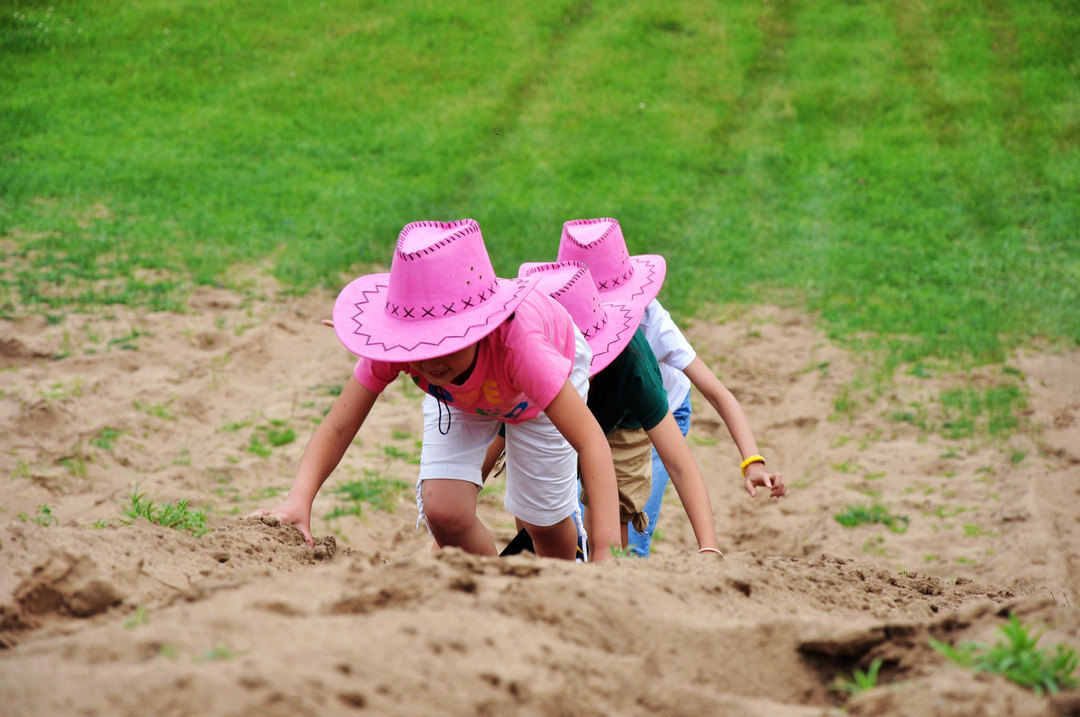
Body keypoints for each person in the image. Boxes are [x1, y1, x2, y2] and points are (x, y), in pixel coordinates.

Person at [253, 219, 622, 561]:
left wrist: (608, 556)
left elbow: (591, 443)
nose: (432, 360)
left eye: (446, 342)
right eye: (422, 344)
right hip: (460, 399)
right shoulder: (401, 345)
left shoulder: (523, 349)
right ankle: (494, 595)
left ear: (482, 326)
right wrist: (299, 499)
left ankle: (559, 583)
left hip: (541, 383)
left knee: (542, 519)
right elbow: (339, 424)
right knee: (444, 511)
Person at [555, 217, 787, 556]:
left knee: (629, 535)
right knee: (585, 527)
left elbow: (717, 394)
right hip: (598, 411)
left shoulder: (653, 324)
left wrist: (752, 461)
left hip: (658, 414)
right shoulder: (563, 320)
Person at [497, 261, 726, 556]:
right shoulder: (519, 365)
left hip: (621, 426)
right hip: (546, 420)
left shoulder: (632, 364)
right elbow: (492, 448)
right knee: (537, 516)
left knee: (611, 532)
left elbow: (680, 464)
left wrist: (709, 549)